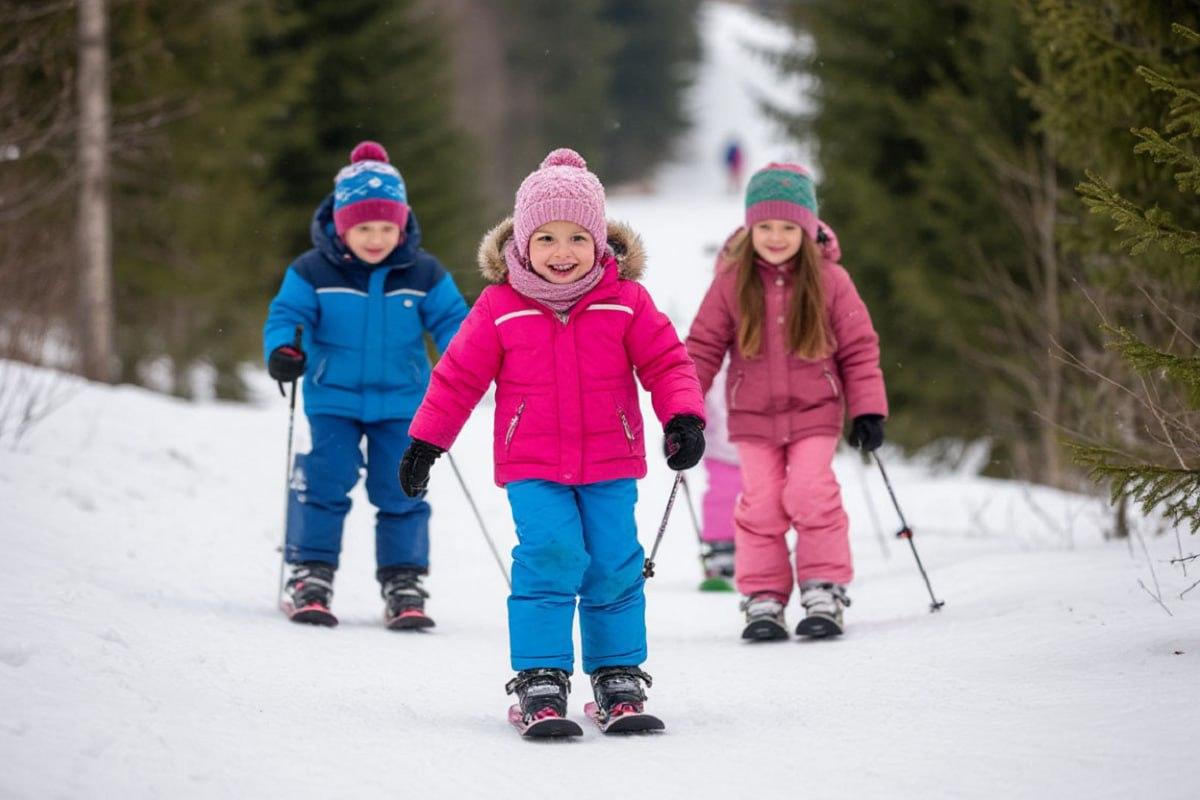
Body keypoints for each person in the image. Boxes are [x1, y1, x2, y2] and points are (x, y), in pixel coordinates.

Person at [398, 148, 705, 733]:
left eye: (576, 238)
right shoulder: (499, 307)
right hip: (533, 464)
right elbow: (457, 379)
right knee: (550, 557)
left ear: (599, 242)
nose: (561, 253)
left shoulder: (626, 302)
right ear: (520, 244)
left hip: (611, 462)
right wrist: (426, 443)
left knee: (615, 561)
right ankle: (540, 676)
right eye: (545, 238)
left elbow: (668, 364)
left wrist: (682, 417)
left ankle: (618, 674)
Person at [264, 141, 469, 629]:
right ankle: (310, 573)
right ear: (341, 225)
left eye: (386, 228)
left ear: (401, 226)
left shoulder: (423, 273)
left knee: (401, 489)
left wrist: (462, 355)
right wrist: (285, 349)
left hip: (403, 402)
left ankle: (404, 581)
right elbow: (289, 315)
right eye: (363, 227)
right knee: (325, 481)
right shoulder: (312, 271)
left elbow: (453, 320)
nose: (376, 239)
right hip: (332, 398)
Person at [685, 163, 887, 641]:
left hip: (816, 412)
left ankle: (823, 586)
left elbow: (859, 348)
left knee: (810, 492)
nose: (776, 237)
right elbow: (702, 347)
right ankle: (764, 596)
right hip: (752, 417)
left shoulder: (832, 281)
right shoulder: (732, 282)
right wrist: (685, 413)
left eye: (789, 227)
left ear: (808, 228)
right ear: (751, 227)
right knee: (760, 503)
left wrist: (868, 409)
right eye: (766, 227)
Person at [697, 220, 842, 589]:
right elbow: (698, 361)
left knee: (797, 492)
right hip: (723, 437)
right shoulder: (720, 326)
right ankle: (720, 548)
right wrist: (686, 412)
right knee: (726, 495)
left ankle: (814, 571)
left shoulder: (797, 311)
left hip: (773, 432)